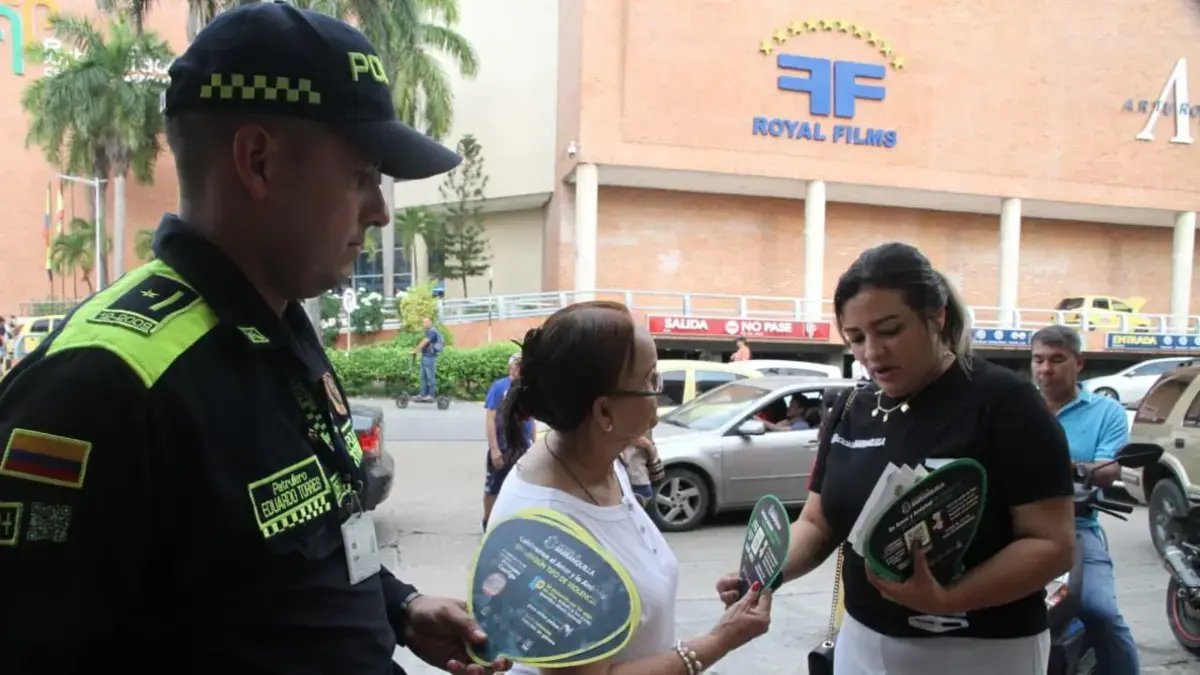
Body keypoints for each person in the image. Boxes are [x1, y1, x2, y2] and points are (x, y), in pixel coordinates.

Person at [0, 5, 507, 675]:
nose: (381, 210)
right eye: (362, 175)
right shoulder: (100, 386)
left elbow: (283, 555)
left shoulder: (279, 332)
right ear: (259, 161)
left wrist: (395, 605)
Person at [717, 242, 1076, 674]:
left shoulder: (1006, 403)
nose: (872, 352)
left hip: (981, 649)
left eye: (889, 330)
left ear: (936, 316)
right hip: (864, 641)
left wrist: (950, 598)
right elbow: (818, 523)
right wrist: (763, 575)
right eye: (856, 338)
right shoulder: (852, 409)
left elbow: (1051, 545)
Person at [491, 301, 773, 674]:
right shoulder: (544, 528)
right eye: (651, 380)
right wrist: (720, 639)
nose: (660, 393)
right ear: (604, 412)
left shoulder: (601, 463)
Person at [1031, 325, 1139, 675]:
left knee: (1101, 611)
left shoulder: (1105, 411)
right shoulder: (1018, 404)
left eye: (1057, 360)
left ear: (1079, 362)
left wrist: (1068, 466)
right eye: (1038, 360)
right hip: (1016, 526)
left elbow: (1109, 469)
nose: (1045, 369)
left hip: (1077, 527)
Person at [482, 352, 534, 530]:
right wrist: (494, 449)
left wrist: (534, 445)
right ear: (510, 366)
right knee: (494, 487)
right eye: (516, 364)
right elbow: (490, 419)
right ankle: (487, 523)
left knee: (523, 488)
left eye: (522, 365)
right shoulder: (499, 387)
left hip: (523, 448)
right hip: (503, 447)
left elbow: (531, 419)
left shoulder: (527, 389)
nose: (518, 368)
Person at [620, 434, 661, 507]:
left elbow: (654, 458)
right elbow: (623, 462)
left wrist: (649, 446)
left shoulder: (645, 433)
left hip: (641, 485)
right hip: (622, 485)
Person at [412, 316, 443, 402]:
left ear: (430, 322)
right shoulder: (428, 331)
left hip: (429, 357)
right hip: (425, 356)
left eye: (426, 322)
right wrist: (418, 351)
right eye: (423, 322)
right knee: (423, 377)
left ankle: (431, 395)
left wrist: (416, 350)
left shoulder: (432, 332)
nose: (424, 324)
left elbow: (425, 342)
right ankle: (422, 395)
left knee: (430, 377)